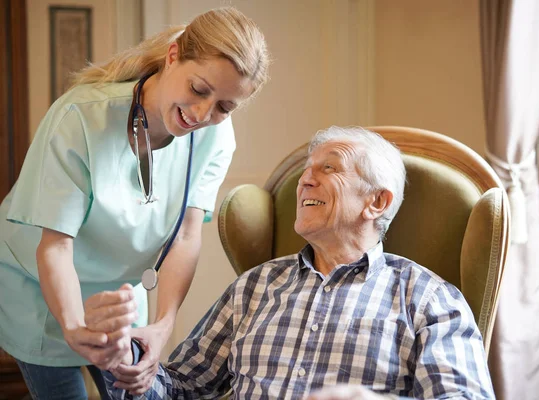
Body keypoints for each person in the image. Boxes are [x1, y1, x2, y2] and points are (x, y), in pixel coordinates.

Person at [91, 126, 495, 399]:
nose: (306, 180)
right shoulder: (255, 287)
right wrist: (125, 357)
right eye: (306, 170)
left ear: (377, 201)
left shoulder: (429, 299)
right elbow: (179, 388)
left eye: (329, 168)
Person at [0, 7, 269, 399]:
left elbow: (186, 236)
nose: (202, 113)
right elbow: (55, 245)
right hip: (41, 290)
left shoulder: (216, 137)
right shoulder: (80, 118)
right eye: (198, 89)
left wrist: (162, 325)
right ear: (173, 56)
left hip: (122, 298)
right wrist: (74, 326)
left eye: (224, 107)